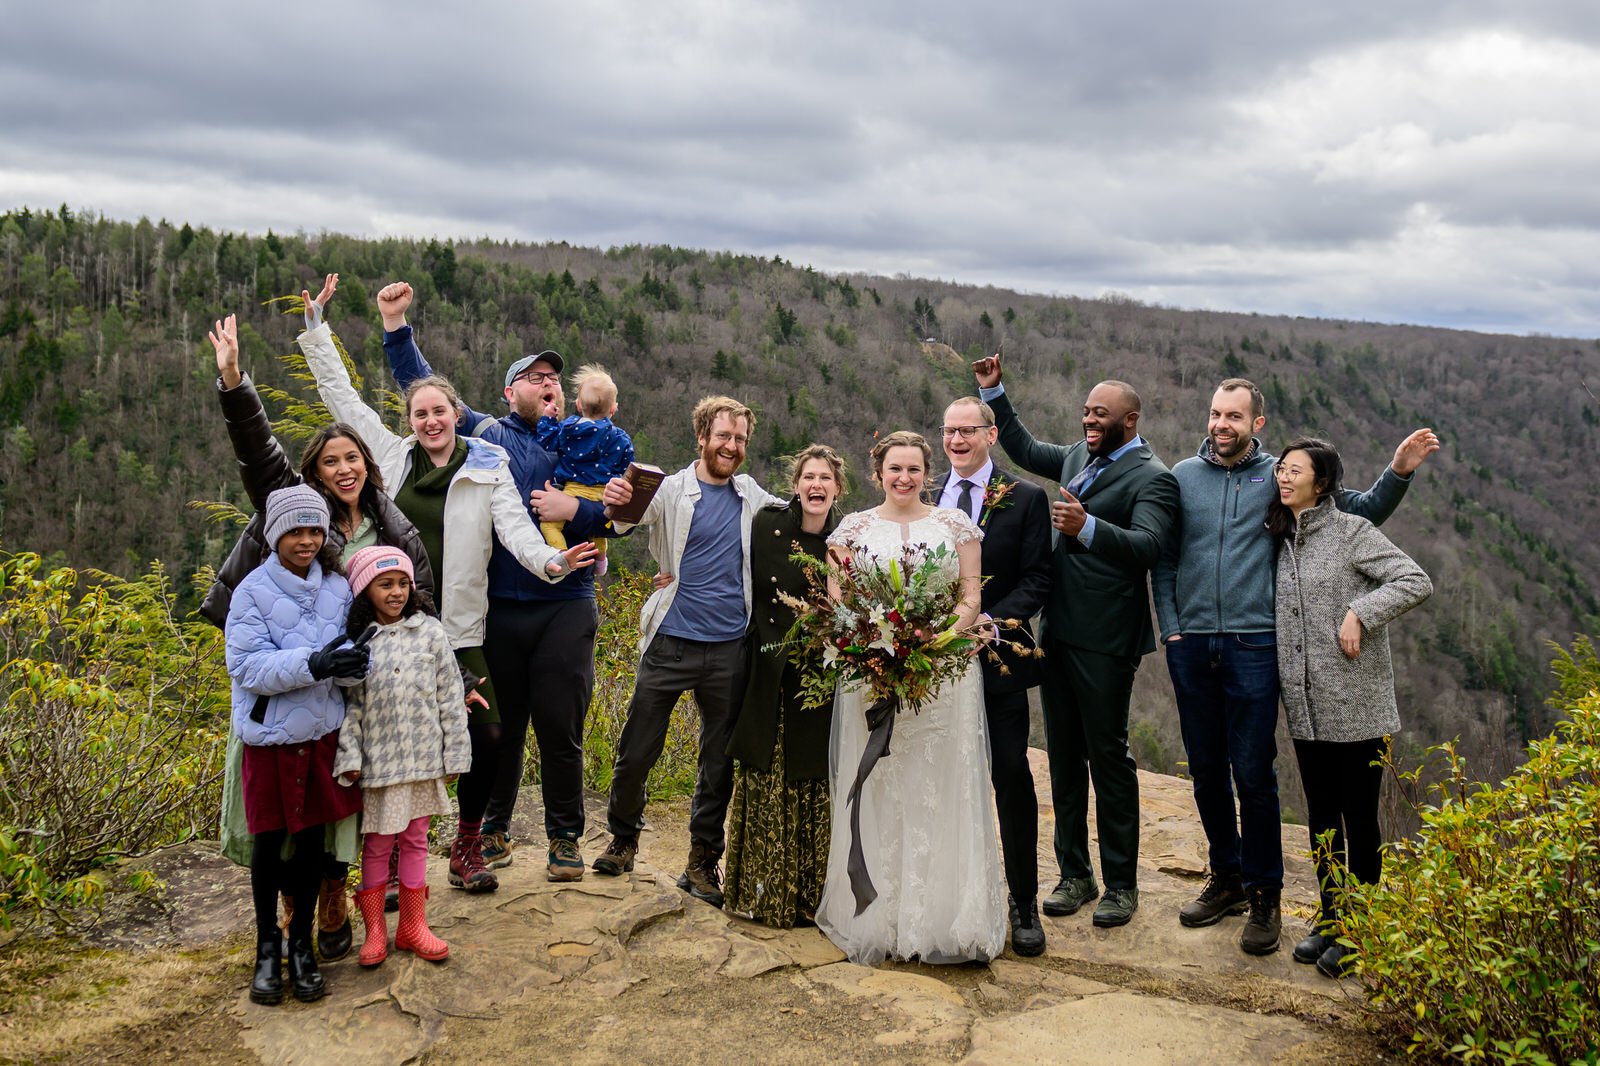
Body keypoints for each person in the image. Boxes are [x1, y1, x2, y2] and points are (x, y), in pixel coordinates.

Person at [298, 276, 594, 897]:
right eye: (420, 412)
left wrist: (552, 563)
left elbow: (516, 527)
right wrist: (317, 328)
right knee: (380, 742)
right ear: (409, 420)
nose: (431, 420)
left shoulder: (486, 465)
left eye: (441, 411)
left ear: (457, 416)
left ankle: (466, 842)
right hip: (387, 627)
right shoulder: (393, 457)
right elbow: (344, 402)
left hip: (458, 628)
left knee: (487, 731)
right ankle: (367, 871)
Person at [1152, 378, 1439, 955]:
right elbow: (1163, 551)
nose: (1221, 423)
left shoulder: (1280, 485)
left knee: (1257, 775)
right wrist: (1171, 625)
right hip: (1195, 645)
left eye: (1234, 415)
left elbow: (1352, 511)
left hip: (1257, 649)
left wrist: (1398, 473)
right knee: (1209, 771)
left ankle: (1266, 895)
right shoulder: (1185, 477)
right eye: (1214, 413)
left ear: (1257, 422)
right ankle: (1230, 879)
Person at [203, 295, 434, 957]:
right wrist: (233, 381)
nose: (344, 468)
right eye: (330, 461)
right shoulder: (291, 510)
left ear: (369, 466)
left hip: (355, 687)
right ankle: (288, 909)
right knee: (277, 793)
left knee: (345, 796)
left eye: (353, 458)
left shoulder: (391, 525)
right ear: (313, 473)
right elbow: (256, 450)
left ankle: (333, 894)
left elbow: (419, 602)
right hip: (281, 677)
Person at [377, 281, 628, 882]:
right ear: (507, 393)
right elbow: (426, 391)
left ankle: (564, 839)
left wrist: (582, 514)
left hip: (567, 601)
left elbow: (622, 518)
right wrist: (395, 326)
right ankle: (491, 831)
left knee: (561, 726)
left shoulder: (590, 442)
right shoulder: (485, 436)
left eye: (554, 379)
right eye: (533, 377)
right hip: (501, 608)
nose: (547, 384)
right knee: (501, 727)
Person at [977, 356, 1180, 929]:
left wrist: (1086, 527)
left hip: (1107, 641)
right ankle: (1074, 874)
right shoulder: (1074, 456)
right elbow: (1021, 448)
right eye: (1087, 411)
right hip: (1057, 635)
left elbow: (1148, 547)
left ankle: (1121, 884)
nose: (1089, 420)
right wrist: (994, 394)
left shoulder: (1153, 477)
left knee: (1108, 759)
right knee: (1064, 759)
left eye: (1101, 414)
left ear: (1130, 420)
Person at [813, 431, 1006, 964]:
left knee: (941, 785)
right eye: (894, 469)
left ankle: (945, 919)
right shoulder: (851, 529)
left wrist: (935, 642)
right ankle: (880, 918)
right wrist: (872, 648)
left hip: (942, 677)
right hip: (871, 675)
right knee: (880, 784)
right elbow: (841, 601)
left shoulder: (957, 527)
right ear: (878, 473)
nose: (904, 478)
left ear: (928, 473)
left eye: (914, 469)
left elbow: (970, 596)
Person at [592, 396, 782, 907]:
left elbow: (797, 518)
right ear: (702, 436)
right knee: (636, 751)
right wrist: (614, 498)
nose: (732, 446)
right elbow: (627, 520)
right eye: (724, 436)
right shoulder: (671, 489)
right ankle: (624, 838)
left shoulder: (751, 495)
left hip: (728, 648)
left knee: (717, 762)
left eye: (740, 439)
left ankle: (701, 862)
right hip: (671, 641)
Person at [1269, 437, 1432, 978]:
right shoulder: (1283, 536)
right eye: (1281, 470)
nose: (1284, 478)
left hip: (1358, 706)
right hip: (1307, 706)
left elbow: (1414, 580)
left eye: (1295, 472)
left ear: (1322, 482)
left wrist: (1361, 611)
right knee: (1321, 817)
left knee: (1359, 818)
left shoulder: (1351, 532)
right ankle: (1333, 917)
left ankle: (1363, 927)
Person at [225, 485, 368, 1006]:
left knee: (311, 842)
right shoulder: (250, 591)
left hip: (321, 734)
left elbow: (352, 645)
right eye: (295, 531)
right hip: (271, 738)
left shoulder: (337, 586)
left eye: (315, 530)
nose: (306, 541)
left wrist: (353, 665)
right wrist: (316, 663)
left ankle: (300, 945)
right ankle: (267, 948)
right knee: (269, 843)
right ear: (274, 535)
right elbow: (245, 667)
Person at [928, 397, 1051, 956]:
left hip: (996, 657)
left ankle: (1022, 900)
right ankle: (947, 894)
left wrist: (991, 622)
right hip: (935, 665)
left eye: (967, 431)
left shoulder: (1025, 497)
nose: (956, 440)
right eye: (949, 431)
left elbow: (1038, 578)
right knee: (943, 777)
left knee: (1010, 775)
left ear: (990, 434)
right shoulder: (926, 500)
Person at [721, 444, 846, 928]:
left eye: (826, 478)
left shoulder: (846, 539)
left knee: (812, 778)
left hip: (820, 678)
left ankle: (811, 898)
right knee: (766, 777)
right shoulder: (765, 525)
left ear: (837, 488)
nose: (816, 485)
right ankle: (764, 894)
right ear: (796, 485)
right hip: (768, 673)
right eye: (808, 477)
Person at [335, 547, 471, 968]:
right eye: (385, 584)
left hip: (424, 759)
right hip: (380, 766)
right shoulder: (358, 643)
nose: (396, 592)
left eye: (402, 583)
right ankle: (375, 931)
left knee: (415, 839)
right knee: (376, 846)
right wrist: (349, 757)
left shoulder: (430, 633)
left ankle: (414, 926)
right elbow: (350, 708)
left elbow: (450, 697)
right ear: (364, 591)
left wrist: (455, 754)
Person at [536, 363, 635, 577]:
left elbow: (546, 441)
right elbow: (628, 465)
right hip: (603, 493)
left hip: (573, 489)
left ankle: (561, 555)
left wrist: (547, 419)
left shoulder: (569, 429)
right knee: (597, 530)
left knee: (550, 526)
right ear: (613, 409)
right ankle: (600, 561)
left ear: (579, 405)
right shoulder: (620, 438)